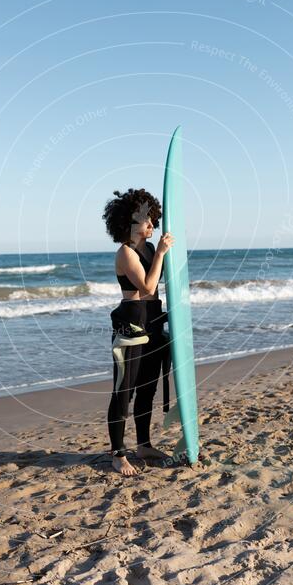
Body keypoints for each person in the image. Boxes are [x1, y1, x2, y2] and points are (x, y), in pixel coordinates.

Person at [102, 188, 175, 476]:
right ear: (131, 220)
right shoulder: (126, 252)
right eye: (148, 221)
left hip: (153, 320)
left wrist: (161, 253)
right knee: (124, 391)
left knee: (148, 388)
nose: (152, 226)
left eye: (154, 220)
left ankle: (143, 444)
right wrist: (160, 252)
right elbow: (146, 286)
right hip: (131, 325)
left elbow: (163, 279)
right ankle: (118, 454)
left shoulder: (146, 248)